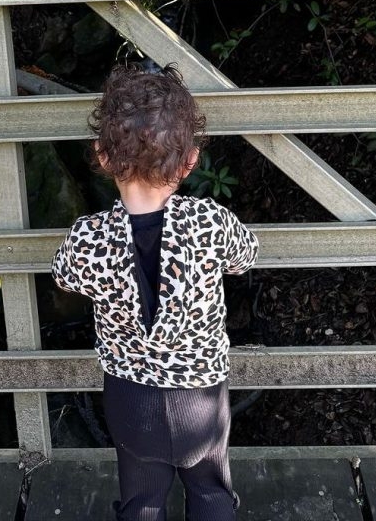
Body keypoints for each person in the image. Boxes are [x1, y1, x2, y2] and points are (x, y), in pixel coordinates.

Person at [51, 63, 259, 521]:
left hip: (132, 401)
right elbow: (246, 256)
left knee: (142, 501)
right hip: (201, 400)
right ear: (189, 161)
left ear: (103, 157)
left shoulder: (88, 237)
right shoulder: (211, 222)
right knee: (211, 495)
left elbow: (64, 277)